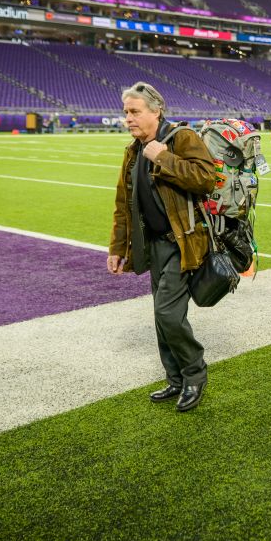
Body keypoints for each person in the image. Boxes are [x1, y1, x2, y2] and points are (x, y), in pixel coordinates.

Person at [107, 82, 217, 413]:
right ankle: (176, 378)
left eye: (135, 111)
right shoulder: (133, 150)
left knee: (167, 313)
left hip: (182, 242)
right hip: (152, 245)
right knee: (161, 316)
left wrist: (165, 158)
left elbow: (206, 178)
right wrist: (117, 247)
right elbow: (123, 203)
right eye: (126, 112)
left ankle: (195, 375)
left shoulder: (180, 138)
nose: (128, 118)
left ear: (156, 111)